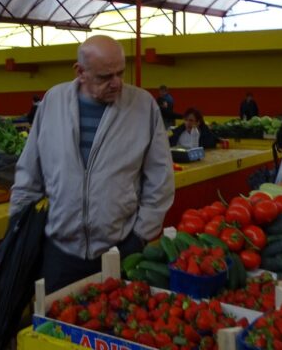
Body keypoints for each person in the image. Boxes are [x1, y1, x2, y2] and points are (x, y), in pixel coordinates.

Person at [10, 35, 174, 293]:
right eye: (105, 76)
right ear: (80, 72)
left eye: (121, 73)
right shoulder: (53, 102)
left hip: (121, 249)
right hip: (58, 252)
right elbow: (29, 172)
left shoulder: (143, 107)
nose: (117, 83)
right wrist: (20, 226)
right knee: (54, 317)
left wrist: (141, 235)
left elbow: (160, 178)